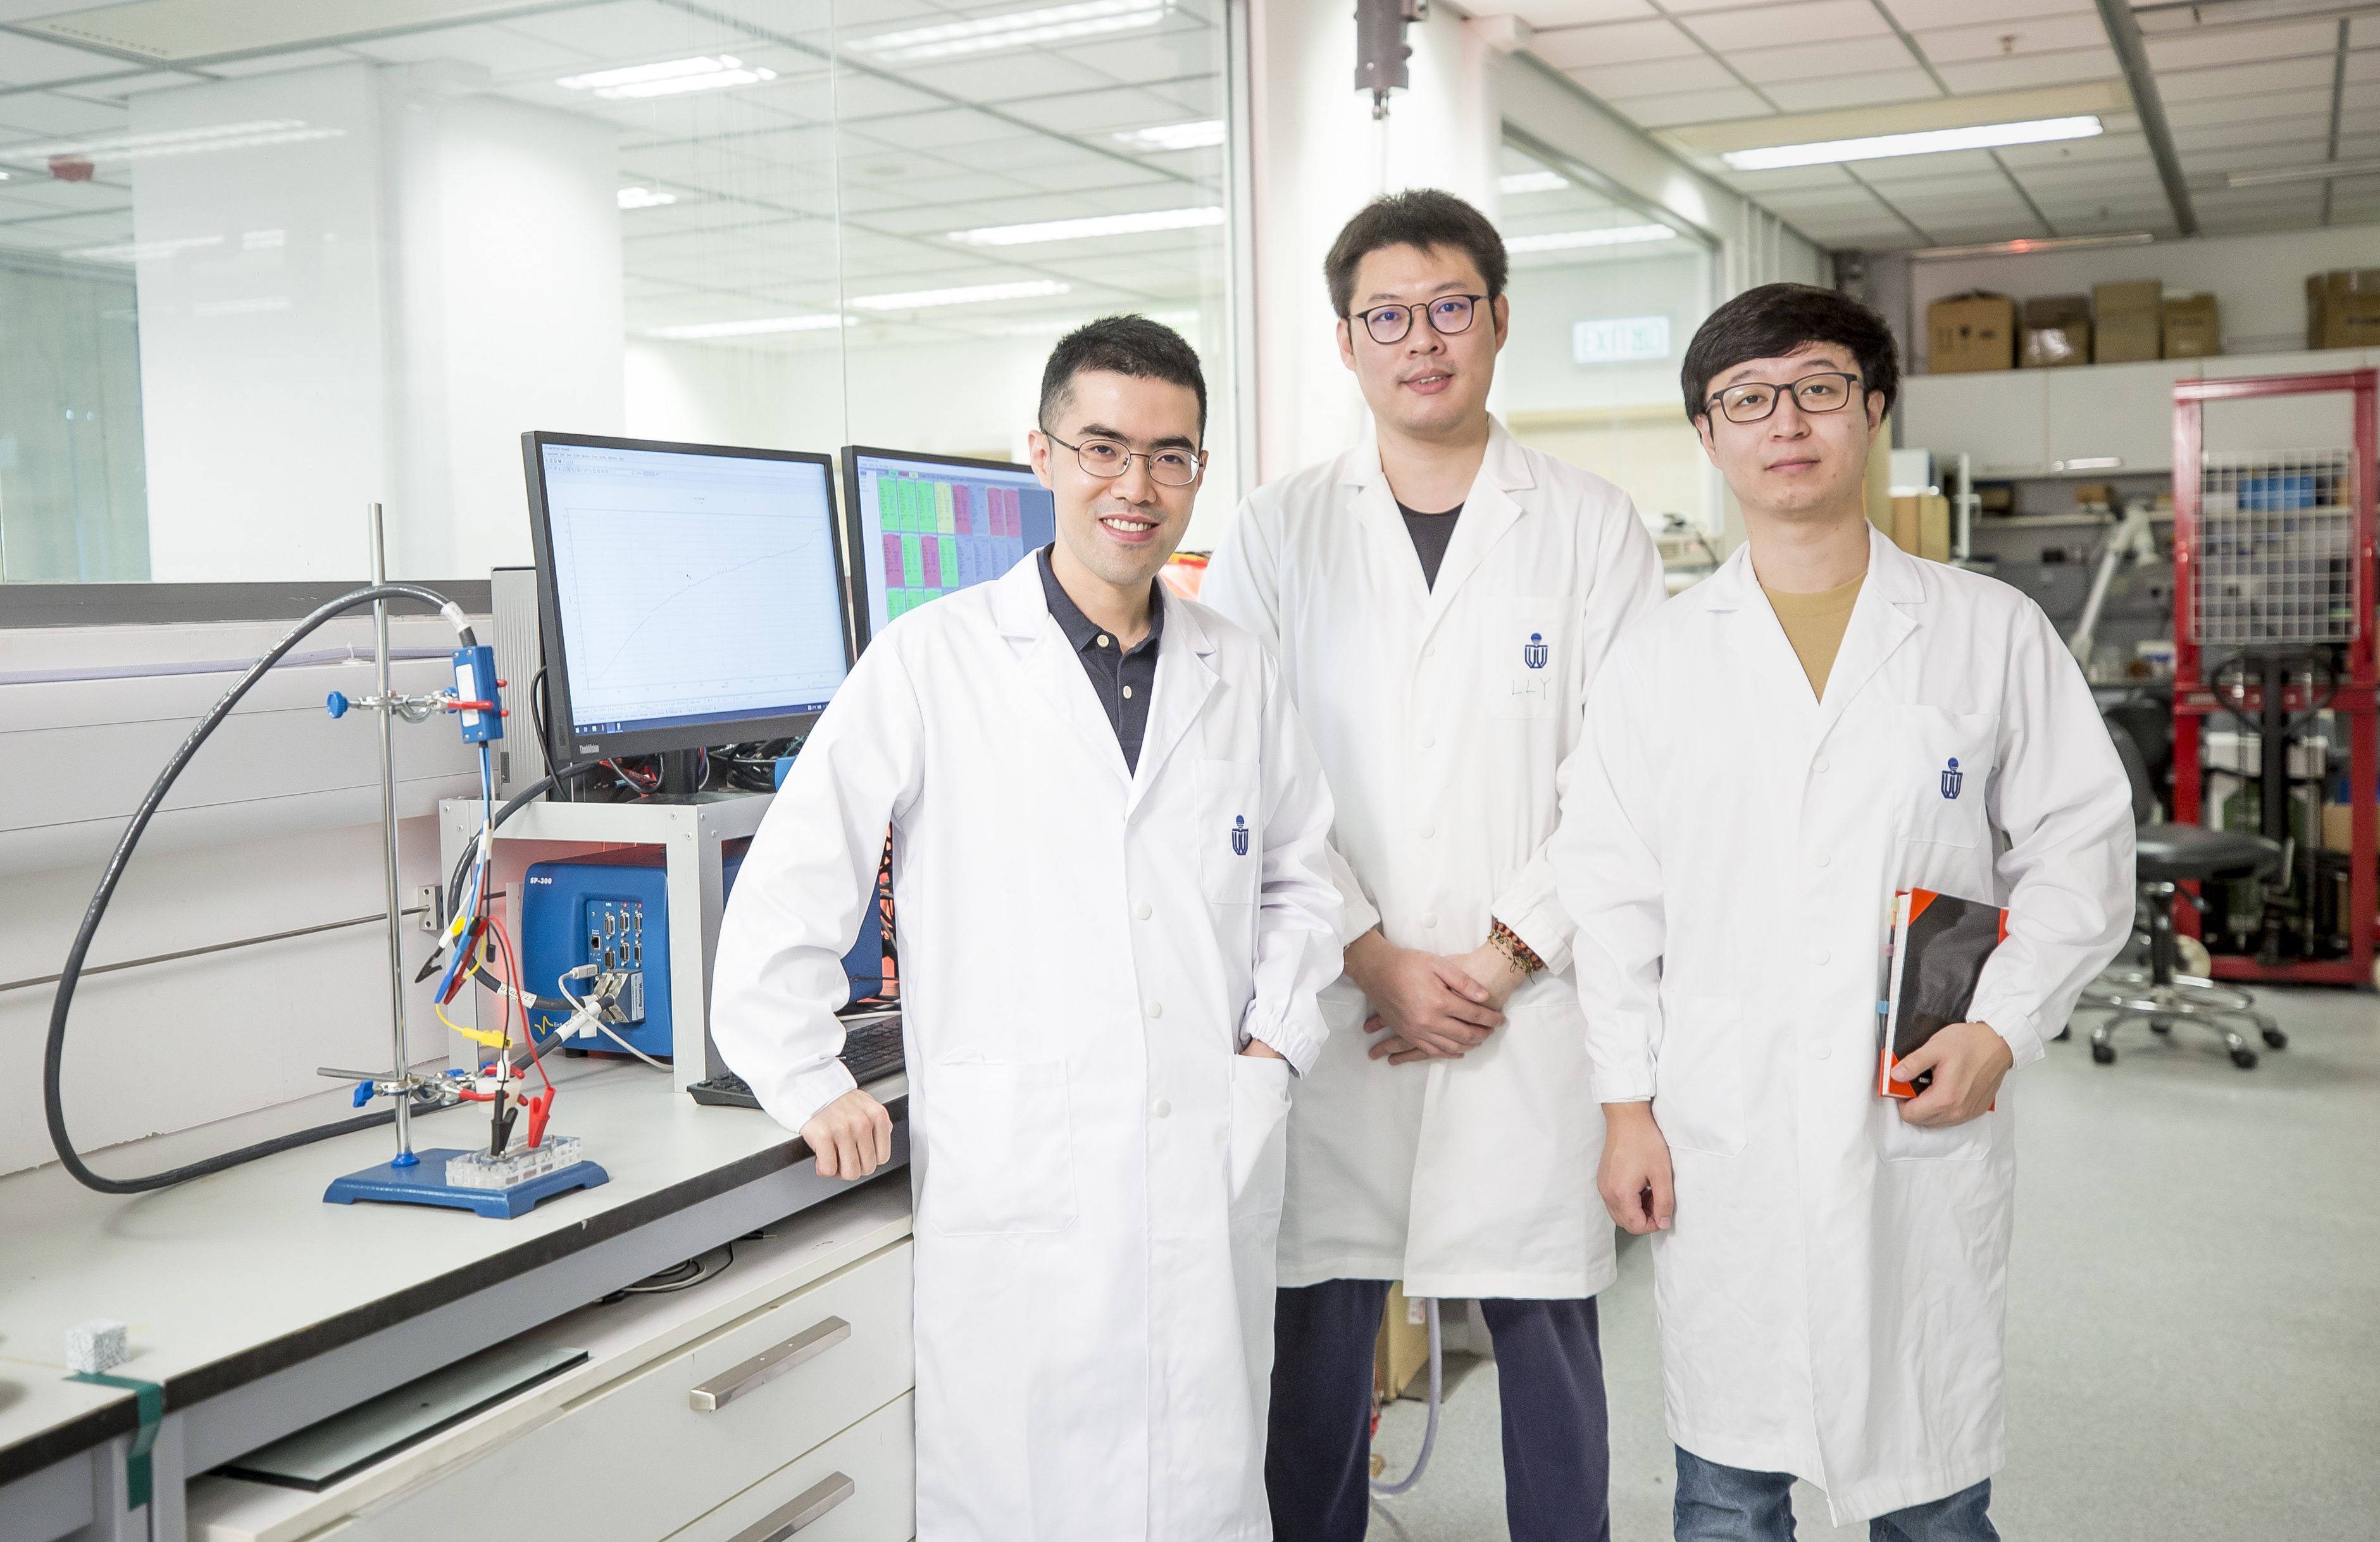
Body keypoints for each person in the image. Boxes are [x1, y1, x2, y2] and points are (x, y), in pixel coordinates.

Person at [711, 315, 1345, 1542]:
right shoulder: (933, 662)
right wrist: (802, 1074)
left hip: (1202, 1162)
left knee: (1204, 1493)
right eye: (1103, 448)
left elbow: (1304, 881)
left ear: (1197, 475)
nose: (1136, 485)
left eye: (1171, 456)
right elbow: (793, 882)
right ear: (1042, 458)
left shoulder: (1238, 666)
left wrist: (1268, 1051)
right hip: (1023, 1194)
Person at [1554, 282, 2135, 1541]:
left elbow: (2081, 854)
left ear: (1872, 410)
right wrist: (1624, 1106)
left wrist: (2003, 1028)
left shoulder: (1989, 632)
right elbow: (1610, 900)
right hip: (1724, 1120)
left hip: (1916, 1113)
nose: (1787, 422)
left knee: (1927, 1492)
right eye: (1747, 399)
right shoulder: (1654, 664)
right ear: (1709, 437)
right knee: (1725, 1486)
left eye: (1820, 388)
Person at [1202, 189, 1664, 1542]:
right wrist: (1373, 956)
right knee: (1319, 1347)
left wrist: (1499, 954)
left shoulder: (1591, 527)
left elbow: (1626, 780)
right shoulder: (1274, 535)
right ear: (1346, 342)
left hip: (1529, 1005)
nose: (1422, 340)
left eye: (1450, 307)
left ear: (1500, 321)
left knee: (1551, 1349)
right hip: (1339, 1001)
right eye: (1387, 316)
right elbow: (1247, 769)